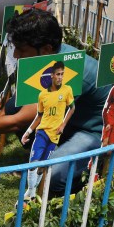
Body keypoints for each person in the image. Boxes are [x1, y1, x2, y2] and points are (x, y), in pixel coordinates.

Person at [0, 8, 114, 195]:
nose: (16, 55)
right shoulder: (47, 61)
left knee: (51, 177)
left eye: (22, 49)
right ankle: (50, 157)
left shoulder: (67, 71)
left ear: (47, 49)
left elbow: (21, 120)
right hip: (70, 122)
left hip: (96, 133)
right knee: (13, 105)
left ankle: (80, 181)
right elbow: (14, 111)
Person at [20, 61, 75, 200]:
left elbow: (72, 108)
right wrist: (28, 132)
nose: (60, 77)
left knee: (42, 167)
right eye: (58, 74)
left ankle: (31, 194)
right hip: (42, 132)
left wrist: (63, 125)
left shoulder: (67, 90)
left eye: (62, 74)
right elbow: (39, 116)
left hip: (54, 136)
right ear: (52, 75)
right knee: (33, 162)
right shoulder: (42, 95)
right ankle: (31, 192)